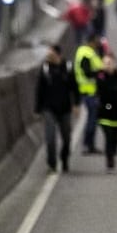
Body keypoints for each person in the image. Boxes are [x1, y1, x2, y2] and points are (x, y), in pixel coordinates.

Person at [34, 44, 80, 173]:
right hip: (49, 108)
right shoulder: (45, 69)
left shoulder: (68, 68)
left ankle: (64, 158)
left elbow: (75, 88)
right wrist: (37, 110)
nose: (48, 56)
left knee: (66, 137)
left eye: (51, 54)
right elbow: (40, 90)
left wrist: (76, 104)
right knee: (50, 137)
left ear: (58, 55)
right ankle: (52, 163)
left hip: (65, 108)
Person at [74, 35, 104, 155]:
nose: (98, 44)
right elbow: (87, 73)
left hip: (90, 92)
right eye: (97, 42)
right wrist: (100, 73)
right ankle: (87, 145)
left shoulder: (88, 52)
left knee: (93, 119)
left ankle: (90, 145)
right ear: (91, 42)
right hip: (89, 92)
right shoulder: (86, 54)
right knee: (91, 119)